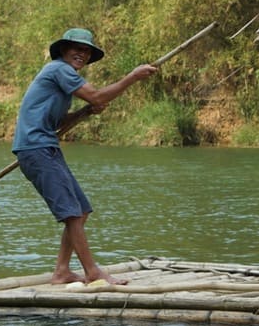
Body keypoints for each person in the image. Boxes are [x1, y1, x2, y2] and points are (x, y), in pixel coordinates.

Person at [12, 27, 157, 285]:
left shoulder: (61, 77)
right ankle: (92, 272)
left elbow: (58, 123)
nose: (82, 54)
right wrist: (133, 77)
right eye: (77, 49)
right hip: (36, 148)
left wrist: (85, 112)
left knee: (81, 211)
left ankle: (62, 271)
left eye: (87, 51)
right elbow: (96, 95)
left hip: (45, 146)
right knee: (72, 214)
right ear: (63, 50)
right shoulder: (59, 69)